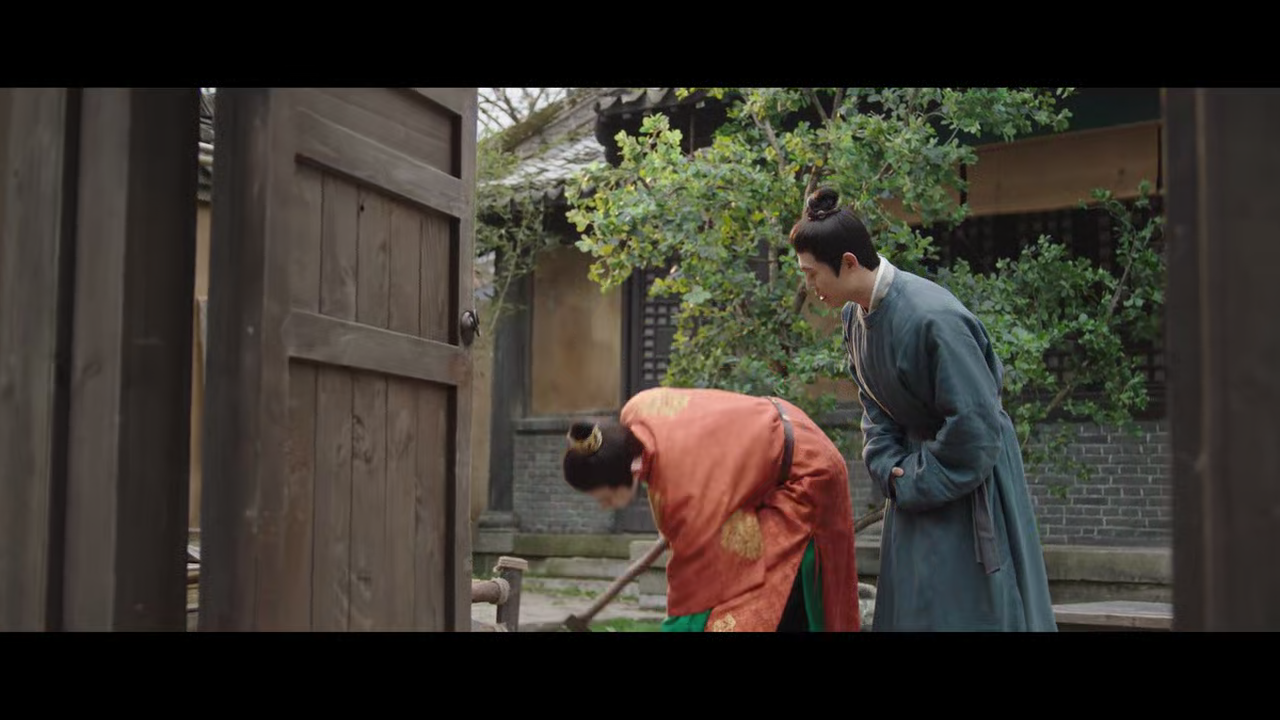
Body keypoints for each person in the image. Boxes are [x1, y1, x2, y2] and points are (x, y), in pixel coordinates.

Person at [788, 186, 1057, 632]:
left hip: (966, 479)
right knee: (913, 609)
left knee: (967, 611)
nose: (810, 287)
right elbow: (874, 410)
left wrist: (914, 477)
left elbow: (976, 425)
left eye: (812, 274)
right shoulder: (855, 318)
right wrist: (891, 469)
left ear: (849, 262)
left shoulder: (934, 317)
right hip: (910, 477)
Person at [561, 386, 861, 632]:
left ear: (631, 472)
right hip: (774, 443)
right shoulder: (637, 409)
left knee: (743, 606)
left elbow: (690, 592)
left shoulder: (686, 492)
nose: (605, 506)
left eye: (605, 498)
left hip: (805, 472)